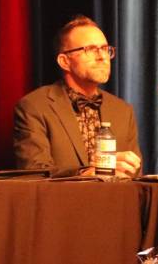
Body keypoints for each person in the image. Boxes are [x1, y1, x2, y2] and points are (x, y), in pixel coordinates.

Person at [13, 15, 141, 178]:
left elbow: (135, 176)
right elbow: (34, 172)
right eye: (91, 49)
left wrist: (131, 168)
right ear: (64, 61)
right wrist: (85, 173)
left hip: (116, 201)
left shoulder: (123, 110)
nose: (102, 57)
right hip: (61, 202)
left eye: (105, 49)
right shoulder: (35, 106)